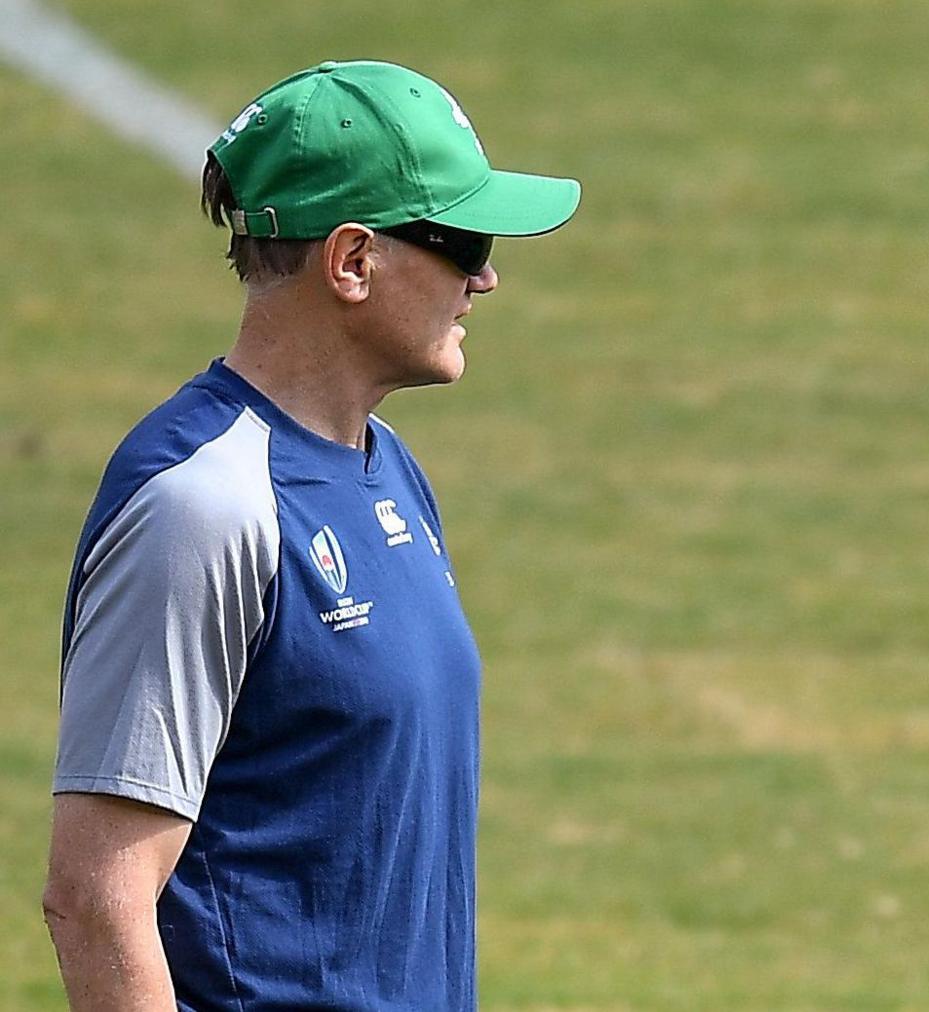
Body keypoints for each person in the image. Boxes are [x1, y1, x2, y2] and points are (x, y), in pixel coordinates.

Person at [42, 60, 579, 1010]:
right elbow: (96, 900)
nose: (487, 277)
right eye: (464, 239)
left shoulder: (389, 467)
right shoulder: (202, 507)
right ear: (352, 262)